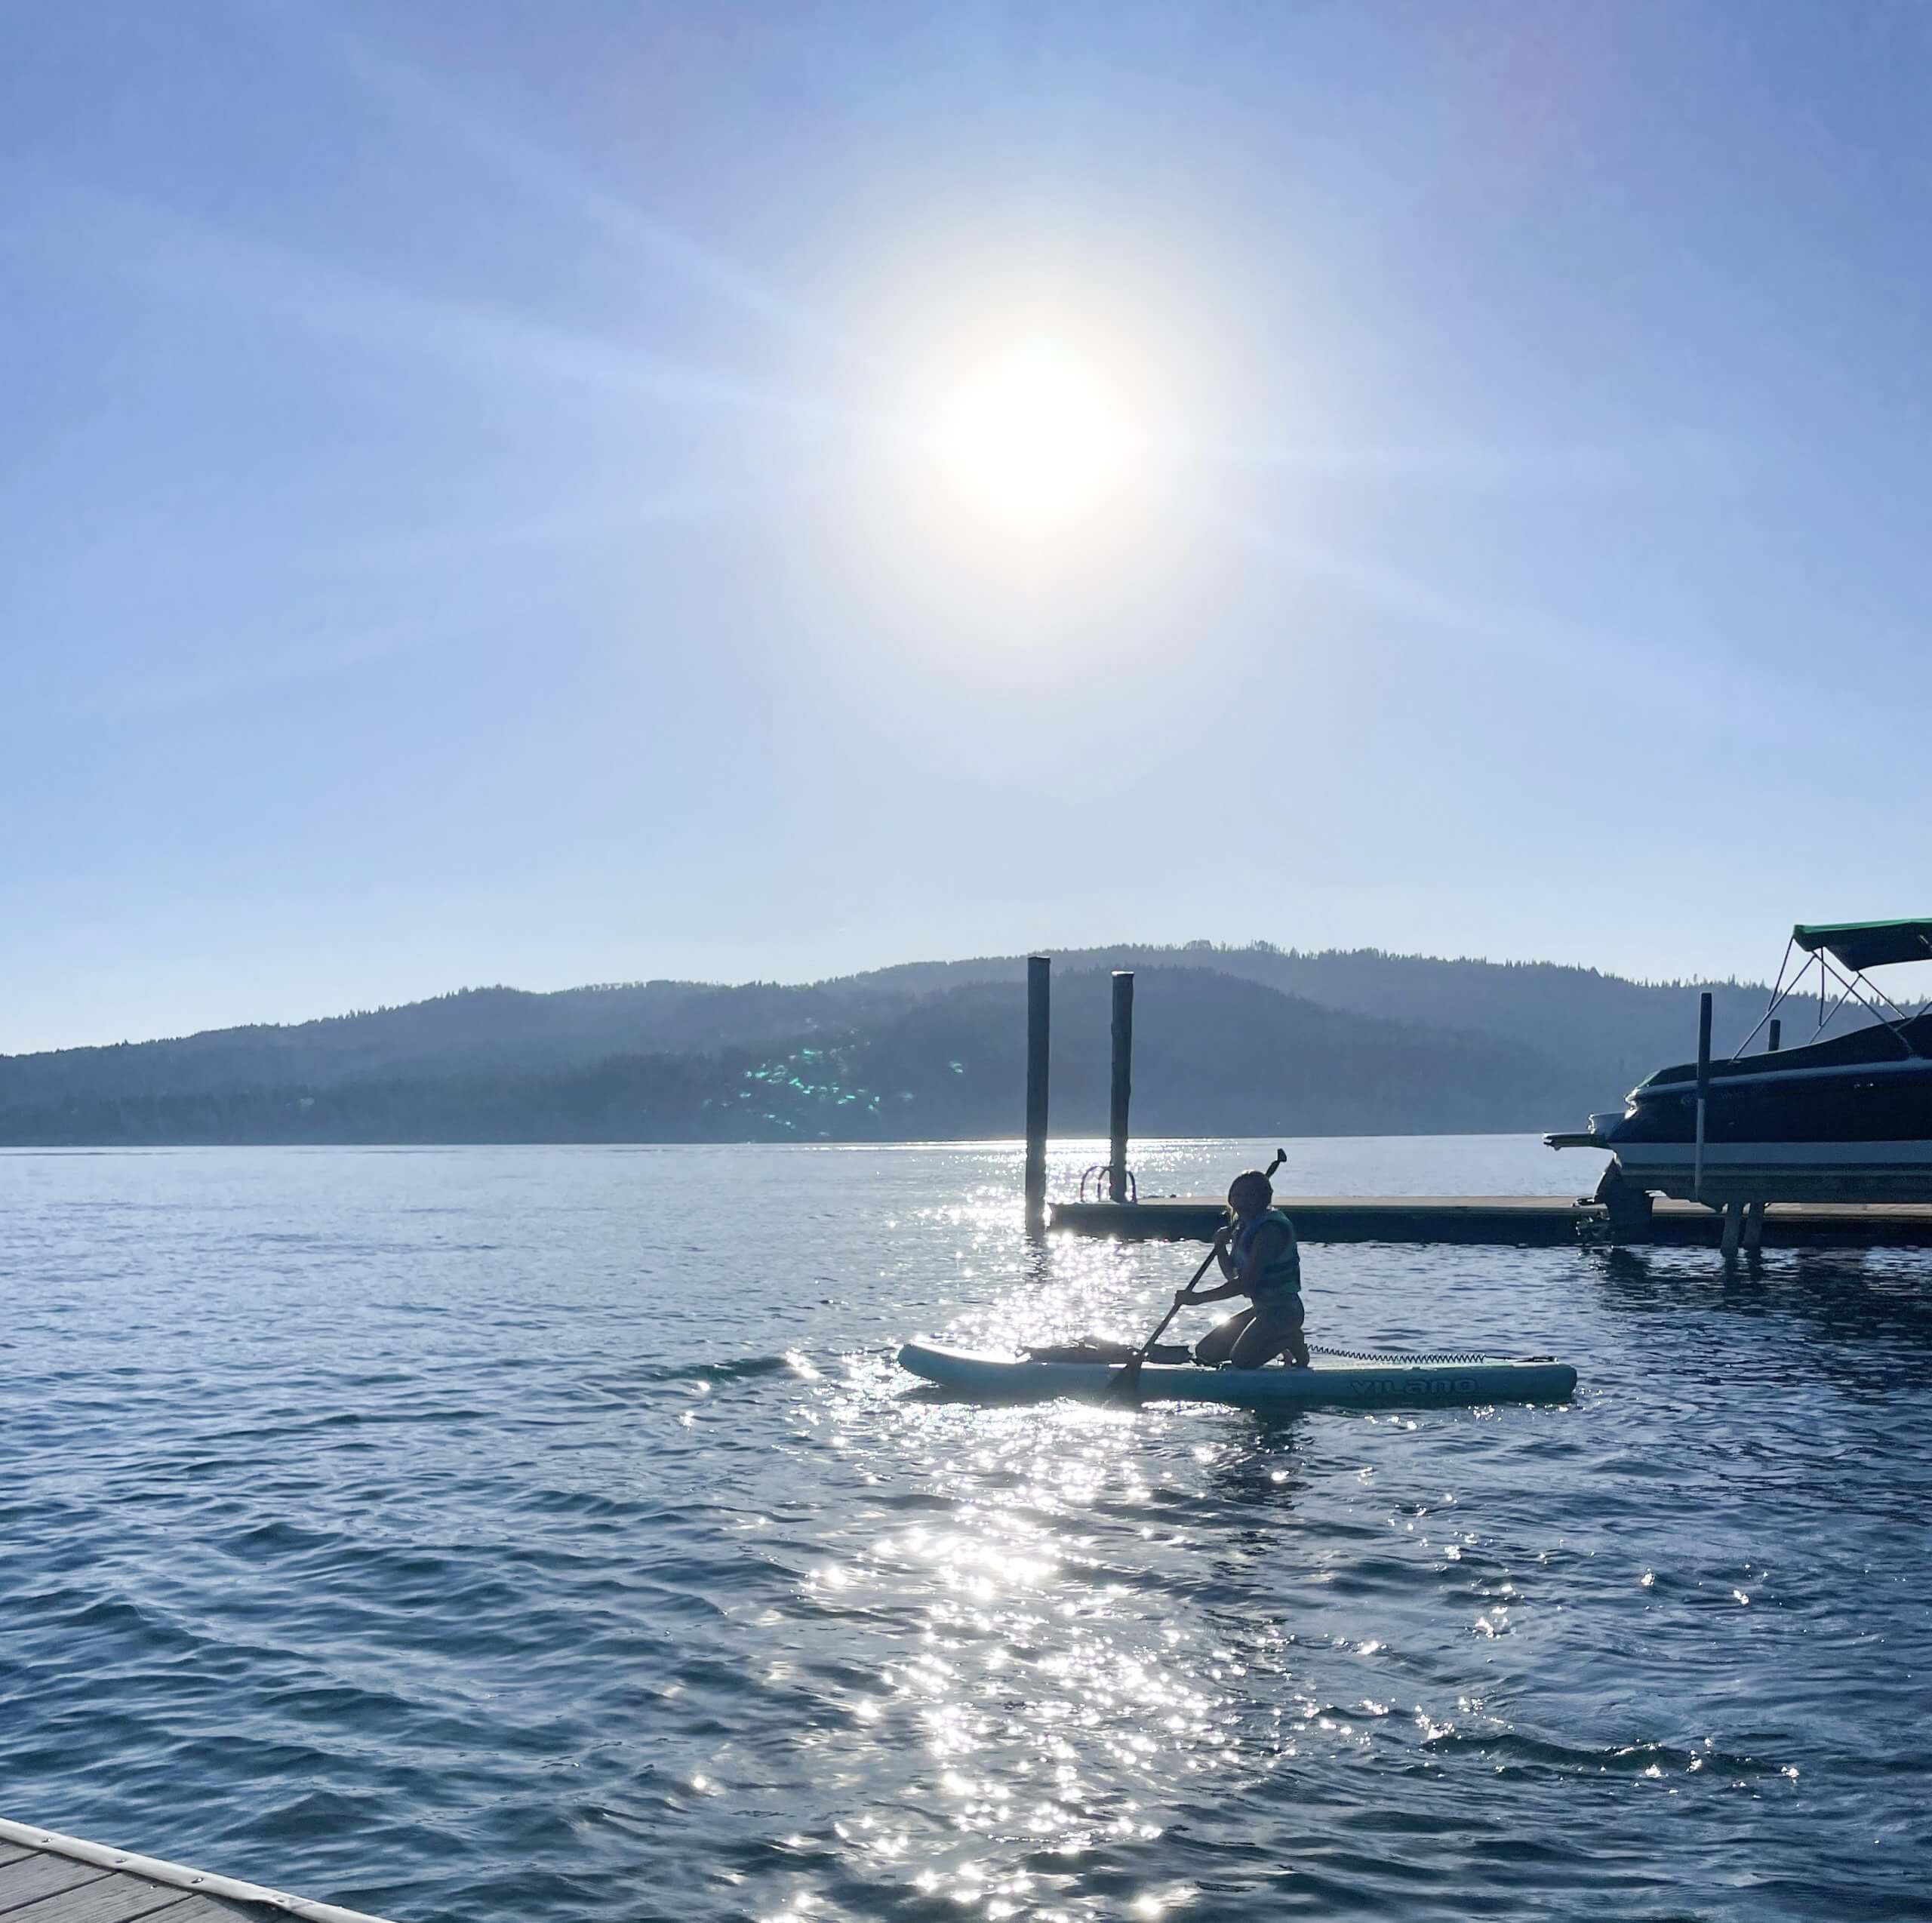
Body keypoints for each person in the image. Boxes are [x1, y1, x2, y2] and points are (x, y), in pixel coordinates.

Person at [1180, 1168, 1309, 1369]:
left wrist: (1198, 1298)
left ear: (1265, 1199)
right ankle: (1275, 1340)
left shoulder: (1269, 1232)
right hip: (1261, 1309)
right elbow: (1233, 1276)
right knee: (1206, 1352)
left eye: (1250, 1196)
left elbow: (1245, 1284)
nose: (1242, 1202)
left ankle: (1289, 1340)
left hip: (1284, 1312)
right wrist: (1220, 1248)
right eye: (1237, 1196)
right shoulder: (1244, 1229)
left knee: (1242, 1360)